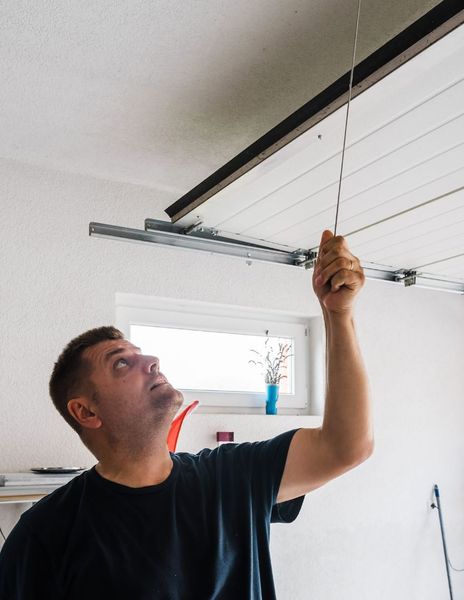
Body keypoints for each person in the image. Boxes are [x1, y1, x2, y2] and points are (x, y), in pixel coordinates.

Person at [0, 230, 373, 599]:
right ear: (85, 411)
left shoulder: (233, 476)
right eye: (121, 364)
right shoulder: (46, 535)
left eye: (141, 352)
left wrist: (338, 315)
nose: (151, 361)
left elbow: (346, 446)